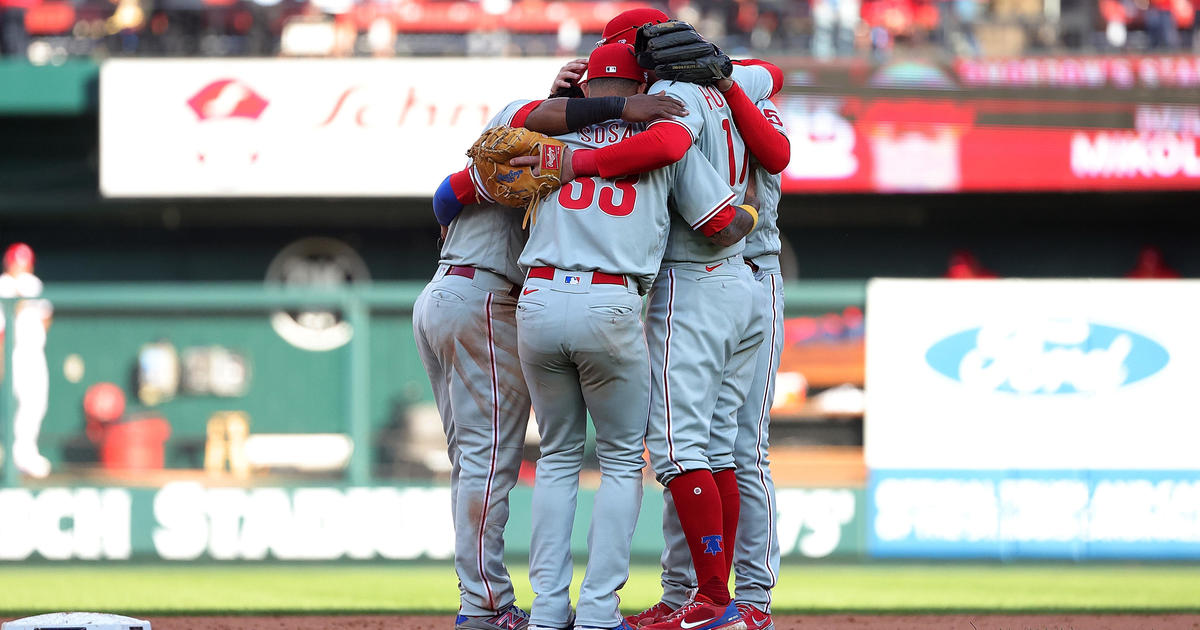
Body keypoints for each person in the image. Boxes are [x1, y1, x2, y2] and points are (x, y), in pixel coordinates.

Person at [418, 54, 691, 630]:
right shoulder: (519, 125)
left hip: (459, 293)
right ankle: (486, 606)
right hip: (488, 297)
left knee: (482, 459)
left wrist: (451, 214)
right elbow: (455, 186)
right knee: (493, 460)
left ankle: (517, 605)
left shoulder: (538, 133)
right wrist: (615, 108)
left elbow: (444, 197)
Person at [514, 43, 758, 630]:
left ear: (587, 82)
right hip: (610, 299)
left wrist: (556, 100)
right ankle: (599, 613)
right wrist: (752, 213)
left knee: (555, 459)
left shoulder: (549, 131)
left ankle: (548, 613)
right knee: (623, 461)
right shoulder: (662, 129)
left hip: (540, 296)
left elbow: (508, 137)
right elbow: (721, 225)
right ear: (641, 83)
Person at [0, 243, 53, 478]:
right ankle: (11, 456)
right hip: (12, 350)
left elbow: (46, 315)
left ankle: (26, 454)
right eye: (16, 261)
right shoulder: (3, 284)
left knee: (37, 403)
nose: (20, 266)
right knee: (14, 405)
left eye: (24, 261)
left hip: (34, 350)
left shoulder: (34, 284)